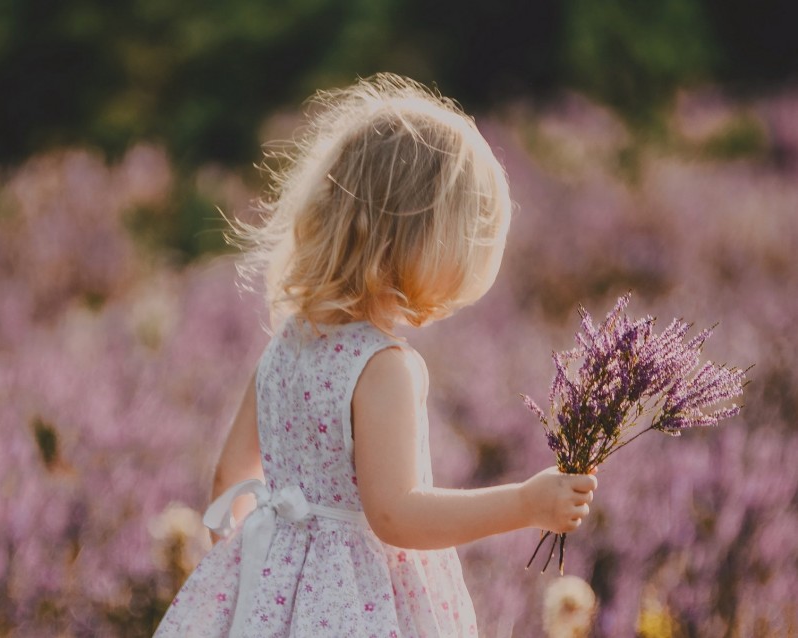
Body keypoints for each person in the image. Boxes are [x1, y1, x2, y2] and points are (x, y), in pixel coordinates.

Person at [153, 73, 597, 637]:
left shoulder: (286, 343)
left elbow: (229, 476)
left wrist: (260, 578)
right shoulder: (383, 366)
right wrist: (524, 504)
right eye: (462, 243)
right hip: (359, 610)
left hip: (272, 600)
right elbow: (395, 514)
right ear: (414, 238)